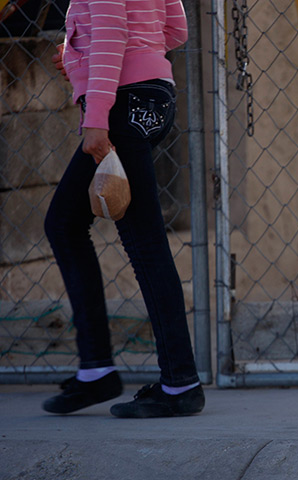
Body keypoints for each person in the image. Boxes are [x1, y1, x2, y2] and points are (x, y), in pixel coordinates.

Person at [42, 0, 204, 418]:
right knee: (65, 224)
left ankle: (179, 383)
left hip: (120, 106)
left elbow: (114, 35)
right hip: (152, 96)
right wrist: (82, 59)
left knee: (142, 243)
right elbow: (174, 30)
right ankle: (98, 371)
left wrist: (95, 117)